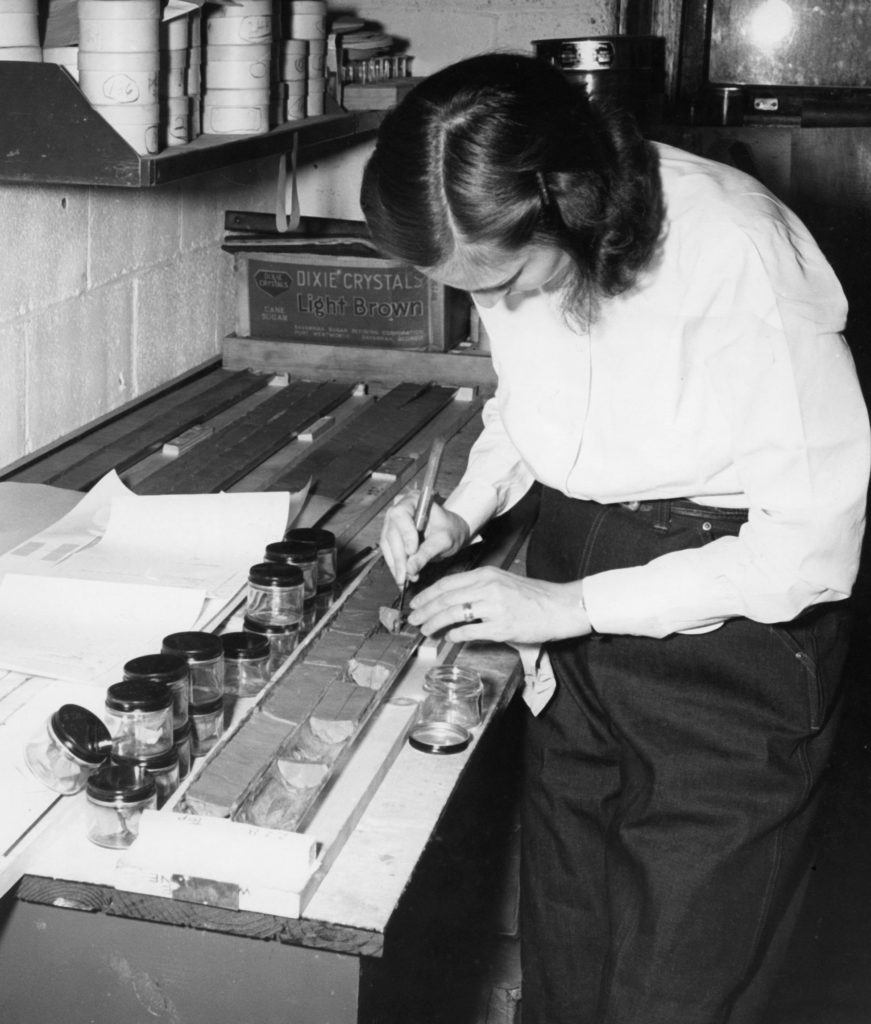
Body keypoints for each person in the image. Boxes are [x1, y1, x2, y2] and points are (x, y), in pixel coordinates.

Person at [360, 52, 871, 1024]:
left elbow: (811, 543)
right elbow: (530, 403)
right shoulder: (507, 238)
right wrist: (463, 508)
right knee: (566, 961)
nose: (497, 306)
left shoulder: (738, 250)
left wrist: (566, 607)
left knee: (674, 987)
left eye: (504, 281)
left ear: (575, 200)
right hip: (572, 616)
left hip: (733, 640)